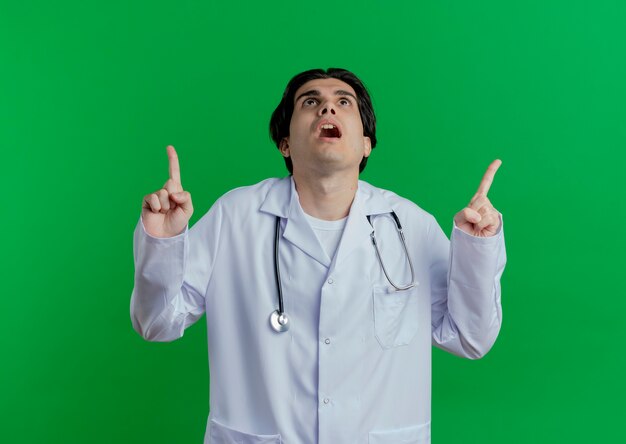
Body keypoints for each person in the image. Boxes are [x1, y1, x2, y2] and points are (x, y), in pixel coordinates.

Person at [131, 68, 506, 444]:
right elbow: (157, 324)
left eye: (344, 102)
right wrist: (163, 243)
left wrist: (477, 248)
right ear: (285, 144)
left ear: (365, 143)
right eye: (310, 102)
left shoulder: (409, 224)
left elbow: (470, 337)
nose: (327, 107)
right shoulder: (235, 216)